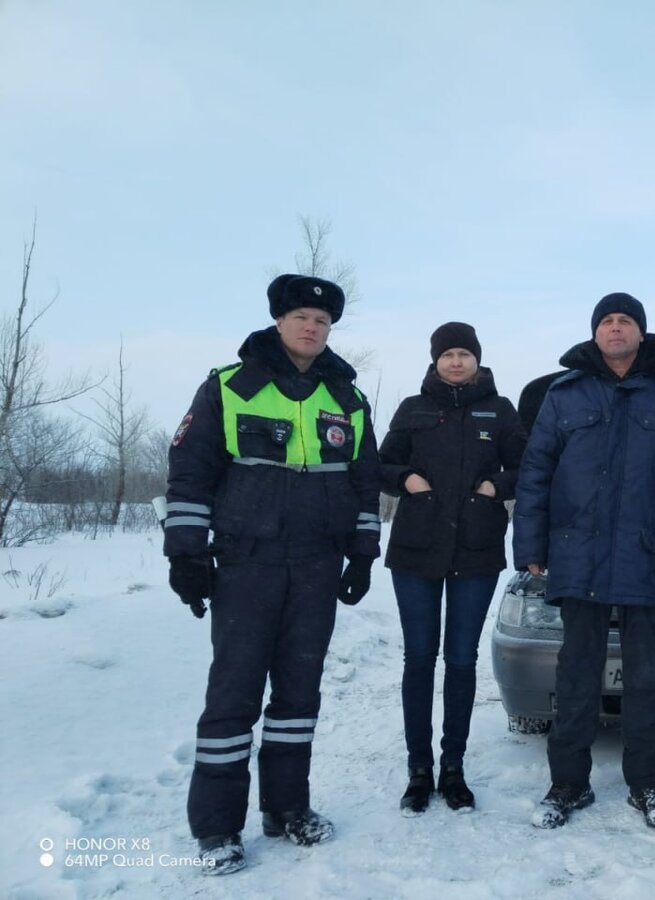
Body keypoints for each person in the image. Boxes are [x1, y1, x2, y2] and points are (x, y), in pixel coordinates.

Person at [164, 274, 382, 875]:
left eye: (323, 321)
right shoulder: (231, 387)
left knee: (298, 696)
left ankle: (287, 810)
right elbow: (190, 470)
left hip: (317, 565)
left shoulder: (347, 397)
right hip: (247, 563)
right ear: (279, 321)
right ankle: (217, 827)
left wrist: (362, 553)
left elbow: (365, 483)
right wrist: (186, 553)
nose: (312, 328)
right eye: (302, 317)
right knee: (233, 697)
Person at [513, 292, 655, 830]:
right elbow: (536, 472)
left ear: (641, 333)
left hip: (646, 557)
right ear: (596, 333)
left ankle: (649, 786)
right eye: (607, 322)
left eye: (625, 321)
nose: (615, 329)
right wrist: (530, 547)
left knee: (646, 680)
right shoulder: (564, 393)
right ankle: (567, 787)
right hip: (578, 556)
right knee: (575, 678)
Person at [378, 322, 527, 815]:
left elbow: (526, 468)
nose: (457, 362)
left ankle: (454, 769)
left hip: (477, 553)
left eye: (465, 354)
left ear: (478, 360)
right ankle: (419, 771)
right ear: (435, 360)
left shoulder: (500, 410)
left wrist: (495, 487)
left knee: (460, 661)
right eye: (449, 354)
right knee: (419, 659)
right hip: (416, 552)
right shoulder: (413, 408)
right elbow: (380, 465)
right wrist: (407, 478)